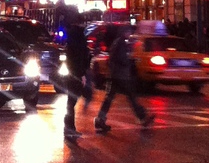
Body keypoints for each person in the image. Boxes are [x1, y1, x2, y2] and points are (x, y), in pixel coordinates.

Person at [94, 29, 153, 133]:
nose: (130, 35)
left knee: (109, 98)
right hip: (121, 75)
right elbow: (122, 59)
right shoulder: (121, 43)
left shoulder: (118, 42)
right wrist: (130, 61)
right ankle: (142, 117)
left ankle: (100, 119)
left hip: (115, 75)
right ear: (125, 32)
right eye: (129, 32)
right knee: (131, 96)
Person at [61, 9, 92, 138]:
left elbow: (73, 56)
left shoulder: (72, 36)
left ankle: (69, 127)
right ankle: (69, 127)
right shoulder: (79, 36)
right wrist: (82, 73)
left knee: (71, 100)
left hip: (72, 72)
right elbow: (80, 56)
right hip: (77, 72)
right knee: (72, 100)